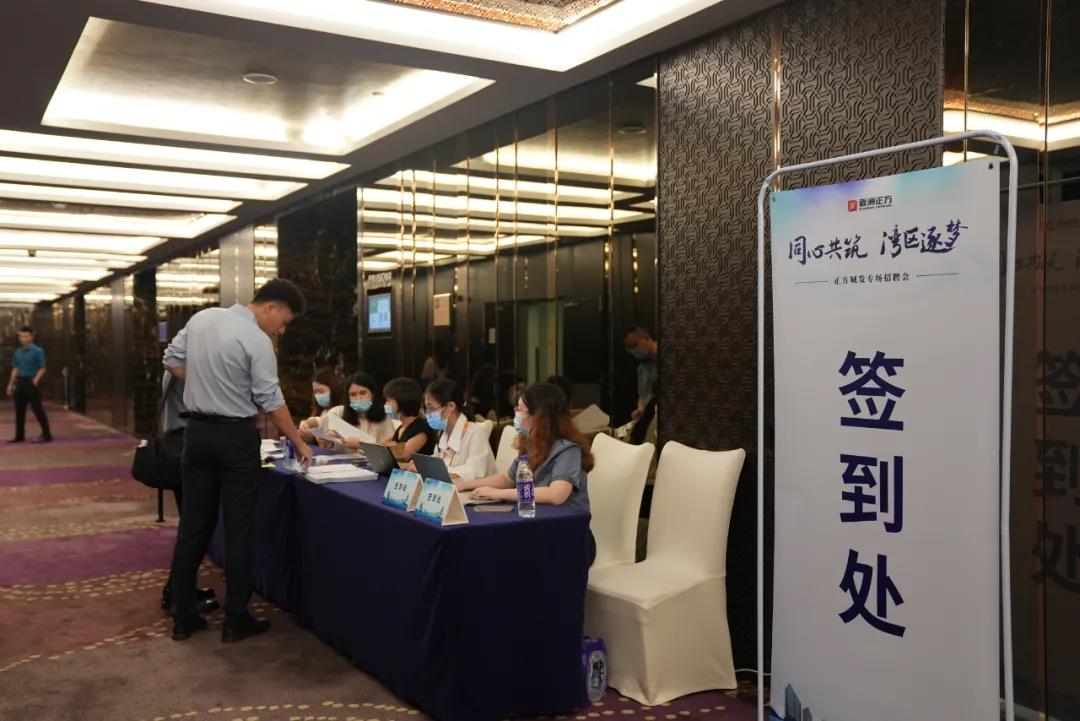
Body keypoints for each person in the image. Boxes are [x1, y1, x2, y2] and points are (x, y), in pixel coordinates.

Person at [163, 279, 313, 643]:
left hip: (196, 434)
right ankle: (235, 619)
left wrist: (205, 382)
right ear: (270, 307)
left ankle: (182, 615)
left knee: (193, 525)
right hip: (235, 437)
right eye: (284, 321)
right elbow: (272, 401)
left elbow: (171, 360)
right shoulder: (257, 341)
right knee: (239, 528)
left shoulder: (201, 319)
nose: (281, 330)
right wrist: (298, 442)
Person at [463, 382, 595, 563]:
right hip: (537, 526)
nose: (516, 414)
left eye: (520, 410)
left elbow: (556, 494)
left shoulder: (568, 449)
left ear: (539, 415)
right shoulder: (531, 445)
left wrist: (499, 494)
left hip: (569, 535)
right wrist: (465, 485)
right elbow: (507, 479)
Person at [157, 369, 219, 615]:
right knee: (195, 529)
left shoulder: (174, 368)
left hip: (178, 442)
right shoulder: (186, 370)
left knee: (191, 527)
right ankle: (178, 594)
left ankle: (180, 590)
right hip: (187, 444)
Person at [423, 377, 496, 482]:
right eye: (426, 408)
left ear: (451, 406)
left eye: (431, 408)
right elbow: (437, 460)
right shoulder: (443, 432)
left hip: (476, 490)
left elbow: (475, 473)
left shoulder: (475, 434)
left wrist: (435, 471)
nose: (427, 413)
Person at [321, 371, 395, 450]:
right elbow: (320, 424)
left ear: (372, 394)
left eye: (363, 393)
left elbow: (390, 448)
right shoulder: (338, 412)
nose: (358, 398)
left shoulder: (384, 417)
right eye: (353, 394)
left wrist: (361, 445)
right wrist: (328, 441)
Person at [6, 326, 52, 443]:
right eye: (21, 336)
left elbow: (42, 368)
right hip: (20, 382)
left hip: (31, 382)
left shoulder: (38, 351)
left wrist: (36, 380)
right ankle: (19, 435)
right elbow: (15, 368)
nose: (23, 339)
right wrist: (10, 384)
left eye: (26, 336)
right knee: (19, 410)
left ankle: (46, 434)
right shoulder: (17, 352)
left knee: (37, 409)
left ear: (31, 337)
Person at [382, 376, 436, 457]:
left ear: (402, 401)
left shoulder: (421, 427)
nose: (385, 404)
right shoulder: (401, 427)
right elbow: (382, 445)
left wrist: (391, 447)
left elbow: (403, 454)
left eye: (389, 401)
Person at [298, 367, 345, 443]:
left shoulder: (341, 411)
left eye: (321, 391)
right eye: (315, 392)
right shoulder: (320, 411)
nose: (318, 396)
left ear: (334, 389)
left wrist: (313, 439)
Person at [624, 327, 658, 420]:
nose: (636, 352)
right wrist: (641, 409)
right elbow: (643, 396)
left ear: (646, 338)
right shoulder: (643, 369)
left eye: (636, 346)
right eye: (633, 351)